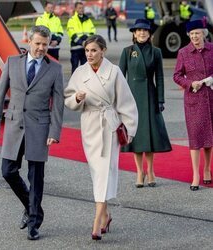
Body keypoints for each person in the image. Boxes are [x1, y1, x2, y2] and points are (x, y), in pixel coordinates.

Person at [0, 25, 64, 240]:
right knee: (7, 171)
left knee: (36, 177)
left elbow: (58, 104)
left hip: (40, 127)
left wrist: (55, 131)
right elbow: (0, 92)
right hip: (14, 125)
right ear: (29, 41)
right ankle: (33, 208)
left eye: (45, 44)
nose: (41, 48)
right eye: (38, 43)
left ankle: (33, 223)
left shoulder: (55, 69)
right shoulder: (13, 62)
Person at [64, 35, 138, 240]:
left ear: (103, 51)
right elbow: (68, 99)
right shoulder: (80, 72)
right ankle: (106, 215)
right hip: (89, 126)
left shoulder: (114, 72)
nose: (90, 54)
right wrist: (76, 98)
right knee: (96, 172)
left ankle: (96, 222)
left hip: (109, 127)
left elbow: (126, 102)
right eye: (87, 51)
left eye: (94, 50)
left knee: (104, 171)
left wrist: (130, 129)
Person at [119, 19, 172, 188]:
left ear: (149, 33)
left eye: (145, 31)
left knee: (149, 136)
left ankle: (150, 171)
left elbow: (161, 77)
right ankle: (139, 172)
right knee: (136, 136)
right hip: (132, 97)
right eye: (138, 30)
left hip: (149, 95)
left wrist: (160, 99)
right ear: (134, 33)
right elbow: (120, 78)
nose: (142, 33)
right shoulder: (127, 52)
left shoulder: (155, 52)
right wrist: (119, 101)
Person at [173, 19, 213, 191]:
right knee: (196, 137)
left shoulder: (212, 49)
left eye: (198, 33)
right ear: (188, 35)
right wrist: (189, 84)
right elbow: (176, 75)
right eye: (192, 34)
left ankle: (206, 169)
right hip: (194, 101)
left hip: (211, 97)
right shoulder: (183, 52)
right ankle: (196, 174)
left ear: (204, 33)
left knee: (209, 137)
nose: (195, 36)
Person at [67, 1, 96, 74]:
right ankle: (74, 84)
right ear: (76, 9)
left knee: (85, 68)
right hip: (75, 48)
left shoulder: (88, 19)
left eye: (82, 8)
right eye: (80, 8)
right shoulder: (71, 20)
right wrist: (82, 42)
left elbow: (92, 31)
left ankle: (84, 85)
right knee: (75, 68)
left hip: (86, 48)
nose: (82, 9)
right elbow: (72, 34)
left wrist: (87, 42)